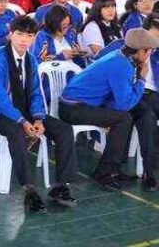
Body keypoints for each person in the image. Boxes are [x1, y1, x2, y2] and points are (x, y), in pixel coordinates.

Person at [0, 15, 78, 212]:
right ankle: (29, 190)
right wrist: (22, 121)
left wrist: (38, 118)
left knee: (63, 130)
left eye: (29, 36)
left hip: (25, 110)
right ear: (10, 35)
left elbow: (35, 92)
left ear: (34, 38)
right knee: (17, 132)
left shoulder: (31, 60)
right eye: (19, 35)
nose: (24, 40)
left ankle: (61, 186)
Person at [60, 28, 159, 191]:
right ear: (141, 51)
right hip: (73, 108)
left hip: (89, 103)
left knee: (138, 111)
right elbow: (124, 105)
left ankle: (116, 168)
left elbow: (122, 97)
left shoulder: (122, 57)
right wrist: (141, 79)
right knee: (124, 118)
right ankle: (103, 173)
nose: (149, 55)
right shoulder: (121, 65)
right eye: (149, 51)